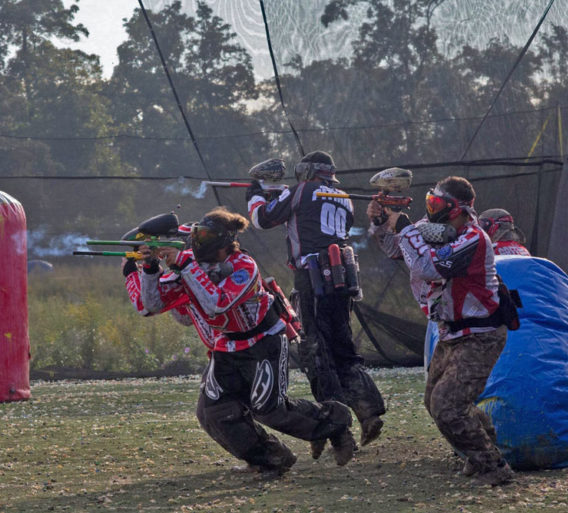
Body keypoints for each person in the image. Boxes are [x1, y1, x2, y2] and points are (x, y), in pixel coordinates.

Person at [138, 207, 357, 475]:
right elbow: (151, 304)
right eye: (197, 235)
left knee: (269, 409)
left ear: (223, 242)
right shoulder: (193, 267)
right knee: (213, 412)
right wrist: (150, 267)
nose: (197, 242)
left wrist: (185, 265)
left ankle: (336, 422)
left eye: (205, 236)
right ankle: (271, 457)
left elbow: (217, 304)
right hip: (227, 346)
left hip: (263, 342)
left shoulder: (243, 267)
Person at [366, 176, 514, 486]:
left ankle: (494, 468)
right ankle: (483, 451)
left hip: (480, 335)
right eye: (429, 202)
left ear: (455, 209)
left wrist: (405, 228)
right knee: (435, 401)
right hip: (451, 333)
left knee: (447, 407)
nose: (429, 210)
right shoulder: (435, 228)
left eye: (436, 205)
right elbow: (398, 250)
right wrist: (382, 223)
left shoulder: (473, 239)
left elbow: (425, 267)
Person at [245, 150, 385, 455]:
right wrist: (280, 194)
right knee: (342, 346)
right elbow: (313, 215)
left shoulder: (302, 190)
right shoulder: (342, 195)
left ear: (307, 171)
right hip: (343, 277)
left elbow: (261, 219)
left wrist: (256, 192)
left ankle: (337, 424)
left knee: (316, 351)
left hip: (314, 278)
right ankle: (368, 410)